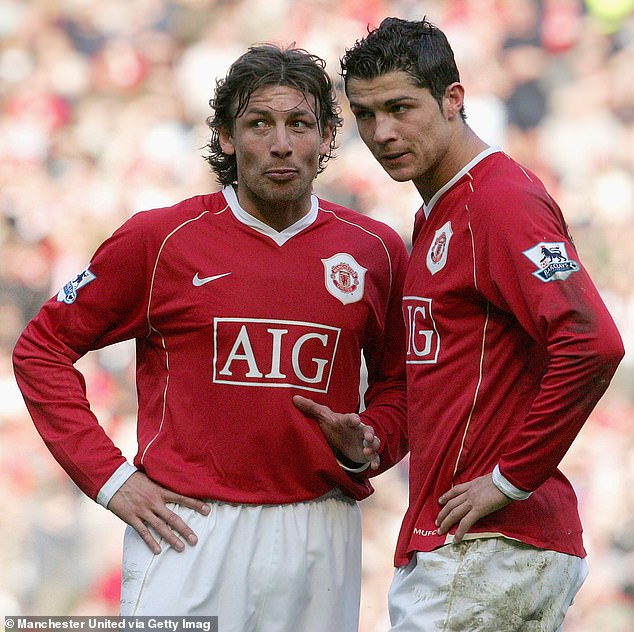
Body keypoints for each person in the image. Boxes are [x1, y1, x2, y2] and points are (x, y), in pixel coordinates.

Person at [12, 44, 409, 631]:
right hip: (189, 528)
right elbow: (40, 349)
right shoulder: (161, 239)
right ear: (225, 136)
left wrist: (373, 439)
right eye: (259, 124)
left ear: (327, 137)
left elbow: (402, 383)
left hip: (321, 530)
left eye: (300, 124)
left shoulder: (376, 250)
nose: (280, 143)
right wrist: (110, 480)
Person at [336, 16, 625, 631]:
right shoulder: (438, 214)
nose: (382, 132)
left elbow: (592, 342)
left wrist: (510, 478)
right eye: (365, 115)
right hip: (474, 547)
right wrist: (376, 440)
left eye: (400, 107)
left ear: (452, 99)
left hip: (487, 548)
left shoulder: (498, 200)